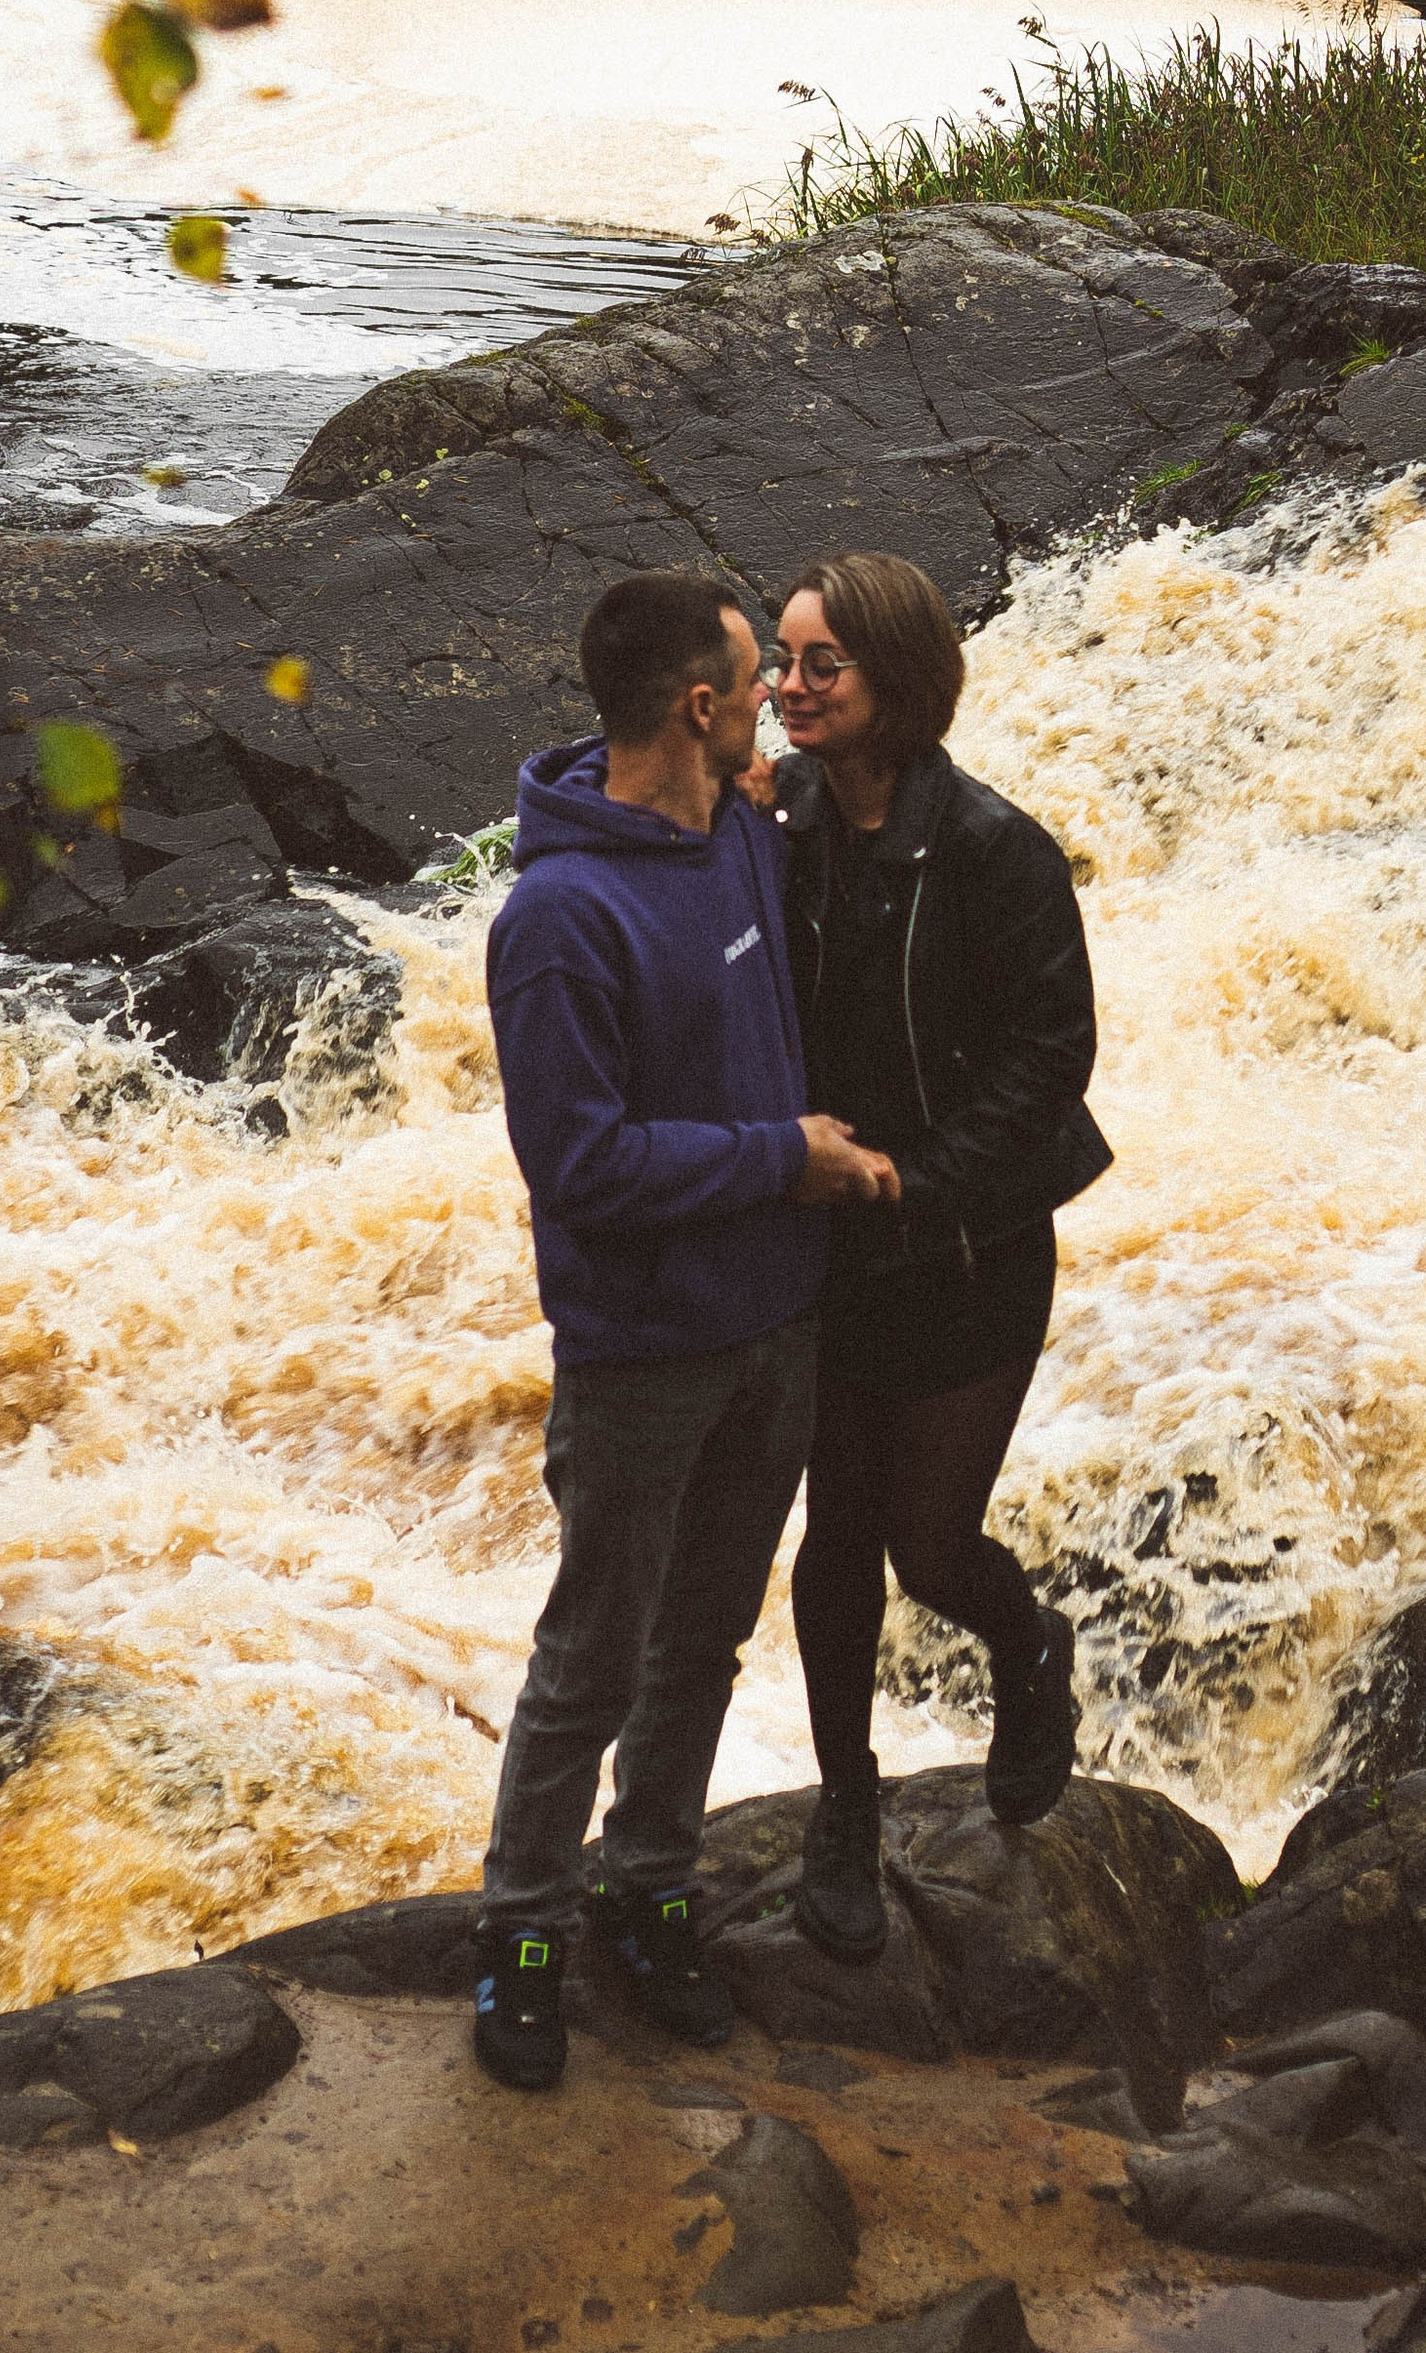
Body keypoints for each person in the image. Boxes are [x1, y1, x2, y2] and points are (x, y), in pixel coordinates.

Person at [471, 569, 898, 2094]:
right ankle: (521, 1933)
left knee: (705, 1643)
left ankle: (646, 1890)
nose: (778, 699)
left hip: (774, 1326)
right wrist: (783, 1159)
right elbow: (581, 1168)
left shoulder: (743, 838)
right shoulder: (557, 920)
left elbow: (846, 811)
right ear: (697, 709)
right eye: (752, 680)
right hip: (644, 1352)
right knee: (593, 1655)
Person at [765, 550, 1109, 1965]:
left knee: (930, 1544)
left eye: (818, 666)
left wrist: (921, 1180)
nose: (788, 689)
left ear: (898, 682)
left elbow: (1051, 1056)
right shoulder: (772, 821)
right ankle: (845, 1811)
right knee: (834, 1540)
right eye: (779, 664)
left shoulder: (993, 850)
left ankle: (1028, 1652)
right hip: (824, 1239)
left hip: (967, 1245)